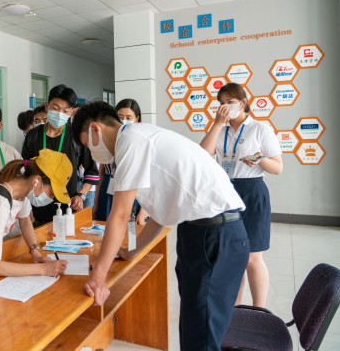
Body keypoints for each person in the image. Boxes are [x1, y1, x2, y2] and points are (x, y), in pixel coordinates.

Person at [72, 101, 248, 351]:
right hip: (205, 232)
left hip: (214, 235)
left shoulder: (131, 140)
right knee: (196, 329)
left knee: (201, 338)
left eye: (88, 145)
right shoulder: (142, 137)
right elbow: (161, 215)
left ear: (95, 129)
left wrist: (98, 277)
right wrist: (133, 252)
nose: (92, 152)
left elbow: (120, 214)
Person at [200, 83, 283, 308]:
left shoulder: (260, 129)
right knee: (232, 256)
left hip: (252, 192)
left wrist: (260, 160)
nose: (225, 107)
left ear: (243, 103)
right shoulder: (221, 130)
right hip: (226, 193)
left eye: (230, 102)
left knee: (252, 257)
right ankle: (235, 309)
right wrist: (217, 124)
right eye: (221, 103)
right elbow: (203, 155)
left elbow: (278, 167)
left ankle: (258, 309)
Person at [22, 85, 99, 225]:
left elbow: (92, 172)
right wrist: (26, 206)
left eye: (65, 110)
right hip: (38, 208)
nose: (59, 114)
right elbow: (25, 171)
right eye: (55, 108)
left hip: (68, 208)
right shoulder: (33, 135)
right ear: (47, 107)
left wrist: (81, 195)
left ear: (72, 111)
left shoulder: (77, 136)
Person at [94, 99, 148, 223]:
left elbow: (148, 181)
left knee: (128, 229)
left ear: (136, 119)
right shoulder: (107, 139)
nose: (124, 120)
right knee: (104, 227)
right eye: (120, 116)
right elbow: (101, 174)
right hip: (107, 190)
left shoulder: (140, 142)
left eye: (128, 117)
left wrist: (143, 211)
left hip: (131, 191)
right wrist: (96, 202)